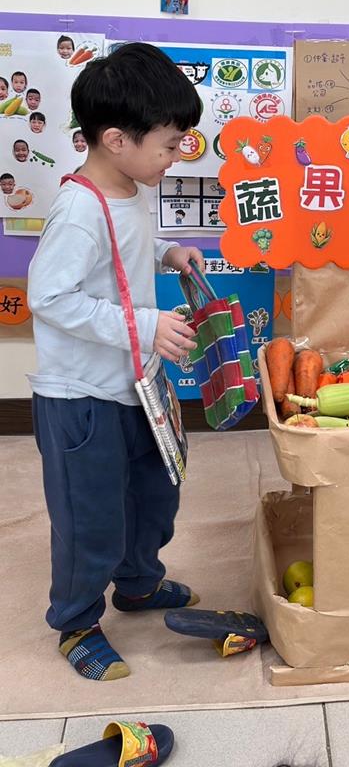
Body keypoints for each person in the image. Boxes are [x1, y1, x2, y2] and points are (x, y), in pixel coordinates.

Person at [27, 42, 205, 681]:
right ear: (115, 140)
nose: (176, 155)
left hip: (135, 387)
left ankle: (137, 583)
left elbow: (126, 248)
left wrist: (167, 253)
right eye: (170, 144)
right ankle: (76, 621)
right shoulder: (78, 210)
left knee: (154, 495)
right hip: (82, 398)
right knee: (91, 517)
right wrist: (146, 326)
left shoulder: (130, 186)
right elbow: (48, 298)